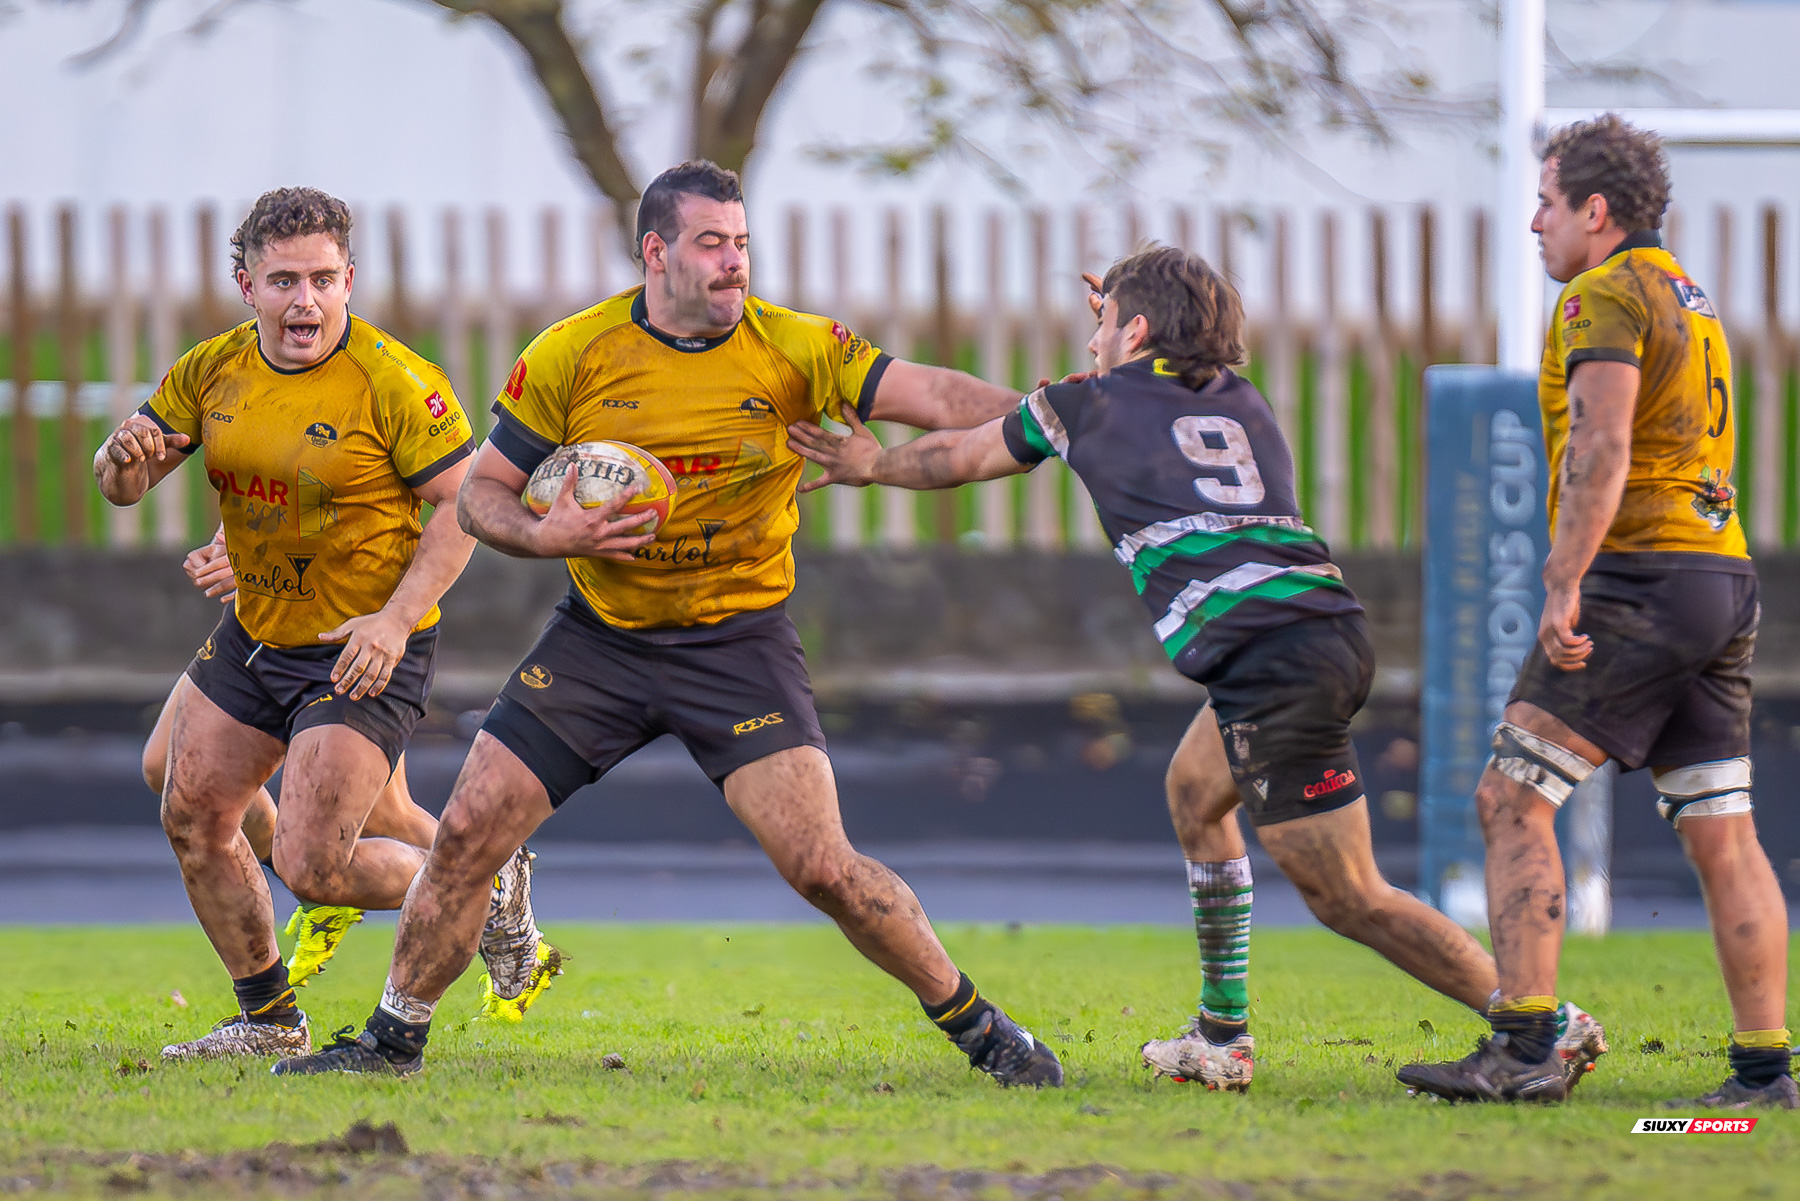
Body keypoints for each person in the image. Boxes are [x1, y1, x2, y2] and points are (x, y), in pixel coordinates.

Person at [272, 160, 1062, 1085]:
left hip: (737, 643)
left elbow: (930, 395)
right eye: (711, 243)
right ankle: (391, 1041)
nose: (735, 263)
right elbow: (482, 497)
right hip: (600, 641)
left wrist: (1047, 411)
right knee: (469, 831)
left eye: (742, 243)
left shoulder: (798, 347)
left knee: (822, 866)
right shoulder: (576, 352)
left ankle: (983, 1029)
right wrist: (548, 530)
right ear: (656, 251)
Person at [786, 244, 1608, 1093]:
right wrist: (1125, 320)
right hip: (1309, 631)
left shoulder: (1085, 405)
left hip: (1272, 658)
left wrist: (870, 462)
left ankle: (1540, 1026)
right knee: (1194, 791)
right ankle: (1222, 1032)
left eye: (1106, 320)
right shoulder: (1237, 398)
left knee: (1349, 894)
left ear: (1134, 328)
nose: (1094, 333)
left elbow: (961, 456)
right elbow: (1143, 390)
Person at [93, 187, 546, 1063]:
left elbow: (467, 505)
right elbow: (128, 481)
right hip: (256, 634)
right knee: (190, 810)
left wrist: (394, 618)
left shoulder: (397, 381)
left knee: (313, 866)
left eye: (324, 280)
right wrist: (119, 465)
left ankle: (477, 886)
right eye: (284, 281)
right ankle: (268, 1018)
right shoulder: (211, 369)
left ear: (350, 280)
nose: (306, 301)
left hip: (360, 650)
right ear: (245, 284)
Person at [1399, 116, 1794, 1108]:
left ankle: (1526, 1048)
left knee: (1511, 797)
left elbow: (1601, 444)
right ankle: (1765, 1072)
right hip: (1721, 576)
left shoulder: (1603, 293)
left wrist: (1564, 577)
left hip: (1641, 577)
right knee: (1722, 831)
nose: (1534, 222)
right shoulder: (1690, 297)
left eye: (1546, 201)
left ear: (1595, 210)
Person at [139, 528, 439, 991]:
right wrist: (231, 539)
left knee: (385, 816)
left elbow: (449, 503)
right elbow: (249, 468)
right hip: (262, 620)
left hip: (342, 622)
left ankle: (487, 885)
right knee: (164, 766)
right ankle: (316, 894)